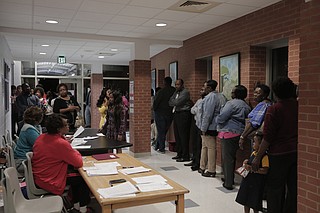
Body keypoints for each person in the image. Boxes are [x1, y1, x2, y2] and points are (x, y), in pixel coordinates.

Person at [251, 77, 298, 213]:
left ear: (276, 92)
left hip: (278, 154)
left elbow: (268, 137)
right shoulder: (299, 106)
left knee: (275, 189)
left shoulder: (274, 109)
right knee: (293, 189)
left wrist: (258, 157)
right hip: (296, 152)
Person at [32, 114, 91, 213]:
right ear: (59, 129)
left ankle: (76, 205)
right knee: (82, 178)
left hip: (40, 176)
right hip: (50, 180)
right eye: (66, 125)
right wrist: (72, 149)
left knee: (76, 177)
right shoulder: (60, 144)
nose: (68, 126)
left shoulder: (41, 137)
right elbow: (78, 162)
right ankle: (82, 208)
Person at [216, 85, 251, 189]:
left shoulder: (231, 104)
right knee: (232, 158)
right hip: (240, 134)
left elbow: (222, 117)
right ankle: (228, 177)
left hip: (228, 133)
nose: (231, 93)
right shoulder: (246, 106)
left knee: (227, 158)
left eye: (232, 92)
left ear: (235, 93)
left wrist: (217, 119)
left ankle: (228, 182)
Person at [236, 131, 269, 213]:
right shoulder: (253, 153)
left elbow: (265, 170)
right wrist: (246, 162)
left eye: (255, 142)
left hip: (256, 183)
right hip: (248, 181)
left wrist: (251, 169)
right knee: (245, 200)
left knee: (255, 202)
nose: (253, 144)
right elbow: (250, 162)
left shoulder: (264, 156)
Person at [199, 80, 226, 177]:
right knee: (205, 146)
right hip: (215, 125)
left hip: (210, 126)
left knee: (210, 147)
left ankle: (211, 170)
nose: (204, 88)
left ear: (210, 88)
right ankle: (202, 166)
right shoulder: (220, 96)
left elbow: (207, 114)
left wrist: (203, 128)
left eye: (205, 86)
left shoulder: (211, 97)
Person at [239, 84, 272, 149]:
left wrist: (243, 136)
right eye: (254, 92)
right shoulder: (267, 103)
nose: (255, 95)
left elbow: (254, 123)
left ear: (264, 95)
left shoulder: (263, 105)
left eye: (258, 93)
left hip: (259, 138)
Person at [13, 106, 43, 174]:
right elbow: (40, 146)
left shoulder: (28, 126)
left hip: (22, 160)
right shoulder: (29, 130)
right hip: (22, 162)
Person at [169, 79, 192, 161]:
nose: (176, 86)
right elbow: (170, 102)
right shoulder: (176, 92)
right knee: (177, 135)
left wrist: (174, 102)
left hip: (183, 114)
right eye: (175, 84)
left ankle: (185, 155)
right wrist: (174, 101)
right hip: (176, 114)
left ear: (182, 85)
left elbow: (177, 103)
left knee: (183, 136)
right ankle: (179, 153)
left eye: (178, 84)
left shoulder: (185, 92)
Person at [186, 86, 207, 171]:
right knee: (194, 143)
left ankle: (198, 163)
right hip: (195, 123)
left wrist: (197, 110)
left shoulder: (206, 101)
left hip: (202, 125)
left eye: (202, 90)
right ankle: (194, 159)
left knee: (200, 144)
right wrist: (197, 110)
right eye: (201, 89)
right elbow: (192, 110)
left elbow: (200, 112)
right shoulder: (199, 100)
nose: (200, 91)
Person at [153, 77, 175, 154]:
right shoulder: (174, 91)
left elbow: (156, 103)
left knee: (161, 131)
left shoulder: (161, 92)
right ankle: (157, 145)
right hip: (170, 114)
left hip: (160, 113)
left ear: (164, 82)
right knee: (164, 131)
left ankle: (161, 148)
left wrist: (154, 109)